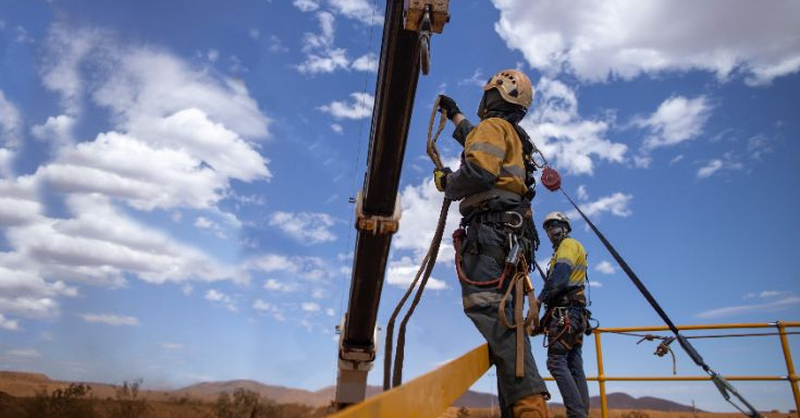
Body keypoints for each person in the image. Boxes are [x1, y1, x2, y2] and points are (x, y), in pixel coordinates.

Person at [435, 69, 550, 418]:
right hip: (511, 239)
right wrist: (454, 114)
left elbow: (478, 172)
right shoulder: (514, 137)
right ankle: (519, 408)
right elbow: (477, 141)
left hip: (489, 234)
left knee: (486, 308)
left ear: (493, 96)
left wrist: (446, 182)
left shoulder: (492, 129)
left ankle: (530, 408)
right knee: (508, 320)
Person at [537, 212, 590, 418]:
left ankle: (577, 415)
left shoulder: (568, 245)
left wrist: (539, 300)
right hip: (575, 313)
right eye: (548, 228)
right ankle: (581, 414)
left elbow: (559, 278)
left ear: (565, 227)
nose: (551, 231)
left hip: (566, 313)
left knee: (556, 362)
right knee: (574, 365)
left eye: (555, 225)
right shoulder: (566, 249)